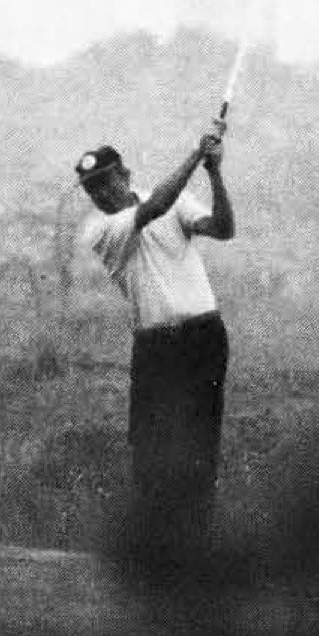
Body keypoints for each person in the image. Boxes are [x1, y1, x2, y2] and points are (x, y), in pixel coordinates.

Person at [76, 130, 233, 582]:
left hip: (203, 335)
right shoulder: (103, 228)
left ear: (126, 174)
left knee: (201, 443)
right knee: (151, 446)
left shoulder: (170, 199)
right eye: (93, 189)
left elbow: (223, 229)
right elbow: (156, 207)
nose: (103, 193)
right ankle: (154, 554)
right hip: (155, 346)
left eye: (108, 181)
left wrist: (215, 172)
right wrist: (194, 155)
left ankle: (196, 553)